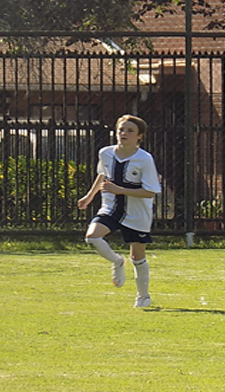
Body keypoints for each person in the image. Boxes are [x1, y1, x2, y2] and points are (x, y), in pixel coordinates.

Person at [77, 114, 161, 308]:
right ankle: (117, 261)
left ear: (140, 136)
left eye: (130, 131)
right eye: (121, 129)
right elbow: (102, 174)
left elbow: (150, 192)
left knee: (138, 256)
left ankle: (143, 296)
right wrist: (89, 197)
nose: (123, 133)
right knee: (92, 237)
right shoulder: (105, 153)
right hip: (111, 207)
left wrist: (121, 190)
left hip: (137, 212)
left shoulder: (145, 159)